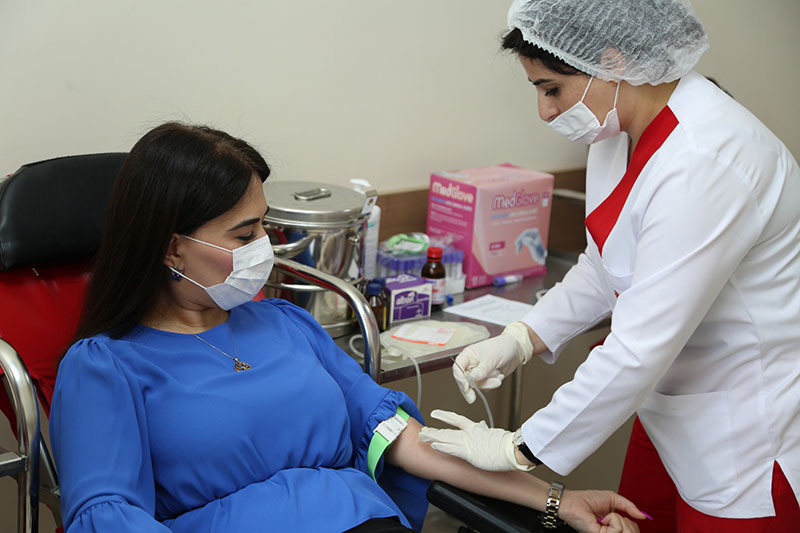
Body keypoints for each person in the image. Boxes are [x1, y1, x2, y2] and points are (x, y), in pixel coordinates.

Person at [50, 122, 646, 533]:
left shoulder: (286, 324)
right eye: (244, 234)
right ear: (172, 247)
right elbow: (108, 517)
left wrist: (557, 500)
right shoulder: (106, 367)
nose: (265, 248)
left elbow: (407, 441)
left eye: (264, 227)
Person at [419, 0, 800, 531]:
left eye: (552, 88)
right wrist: (523, 336)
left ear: (613, 61)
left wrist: (520, 448)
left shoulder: (708, 156)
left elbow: (642, 344)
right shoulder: (617, 131)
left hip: (742, 433)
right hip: (667, 409)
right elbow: (606, 265)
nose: (545, 111)